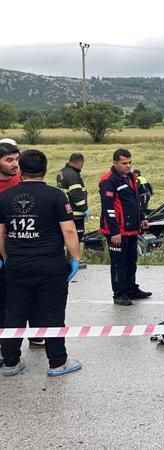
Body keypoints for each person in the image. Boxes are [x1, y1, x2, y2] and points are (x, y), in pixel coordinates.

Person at [0, 149, 82, 377]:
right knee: (53, 312)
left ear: (21, 169)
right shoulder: (56, 196)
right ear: (45, 170)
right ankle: (57, 363)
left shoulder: (4, 198)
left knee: (13, 313)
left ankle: (10, 362)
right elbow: (68, 230)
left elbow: (0, 233)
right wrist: (75, 258)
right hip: (50, 265)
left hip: (17, 265)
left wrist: (7, 258)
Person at [0, 141, 46, 353]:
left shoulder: (21, 181)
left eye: (17, 159)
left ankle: (38, 335)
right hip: (4, 249)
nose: (15, 164)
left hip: (25, 247)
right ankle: (7, 344)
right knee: (7, 300)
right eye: (9, 160)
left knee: (35, 295)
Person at [99, 148, 151, 306]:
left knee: (131, 261)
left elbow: (135, 201)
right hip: (116, 231)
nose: (128, 166)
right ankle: (119, 294)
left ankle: (131, 289)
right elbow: (108, 208)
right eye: (124, 163)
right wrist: (114, 232)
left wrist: (142, 218)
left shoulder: (131, 177)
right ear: (115, 163)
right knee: (118, 264)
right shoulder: (108, 180)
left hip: (131, 229)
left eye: (129, 162)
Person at [57, 153, 89, 268]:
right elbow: (76, 195)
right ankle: (73, 261)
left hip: (65, 211)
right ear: (79, 162)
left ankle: (67, 260)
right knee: (76, 237)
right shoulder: (73, 175)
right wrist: (84, 208)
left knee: (66, 238)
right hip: (76, 213)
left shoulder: (62, 172)